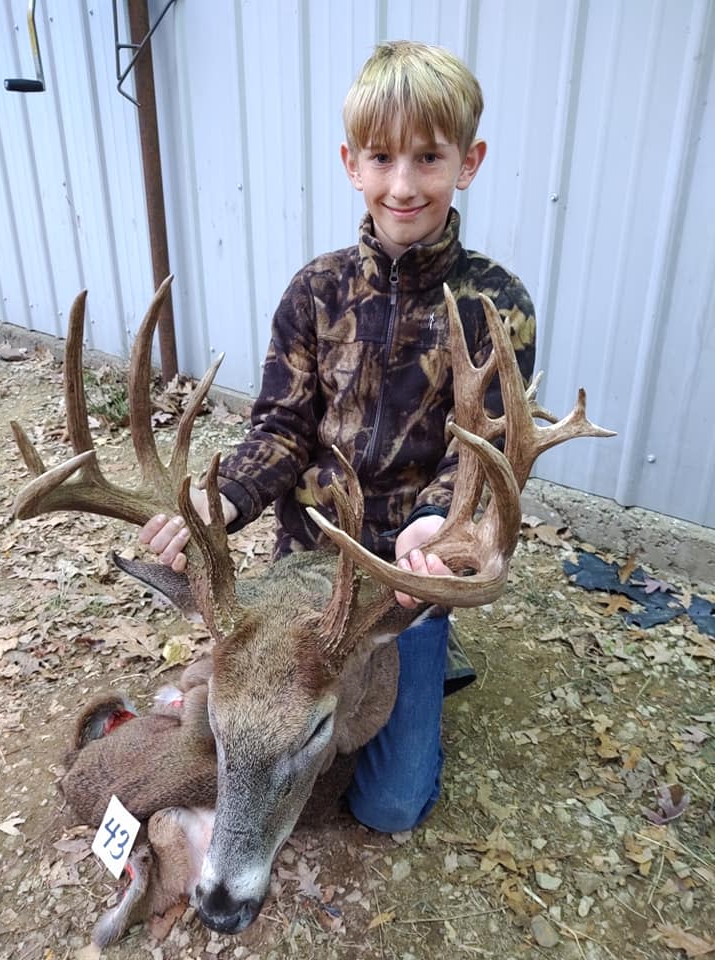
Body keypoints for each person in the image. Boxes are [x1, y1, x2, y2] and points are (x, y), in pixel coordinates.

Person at [140, 40, 536, 832]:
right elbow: (281, 425)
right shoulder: (315, 290)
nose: (402, 184)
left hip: (403, 584)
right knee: (250, 741)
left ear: (469, 162)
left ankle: (427, 662)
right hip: (302, 574)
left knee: (387, 806)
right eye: (382, 157)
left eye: (428, 157)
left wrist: (434, 532)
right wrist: (224, 502)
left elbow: (478, 457)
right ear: (351, 163)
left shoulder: (497, 304)